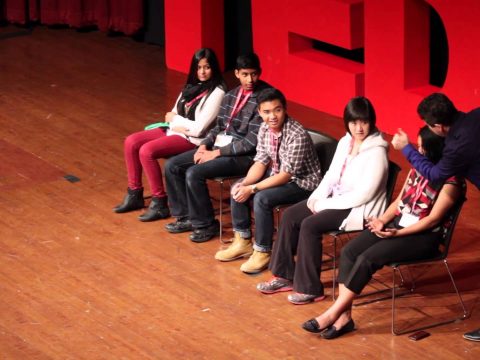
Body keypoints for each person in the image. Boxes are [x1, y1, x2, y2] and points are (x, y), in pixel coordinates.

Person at [301, 126, 466, 340]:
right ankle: (344, 318)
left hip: (424, 237)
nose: (418, 152)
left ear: (434, 151)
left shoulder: (451, 182)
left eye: (421, 148)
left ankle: (332, 312)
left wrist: (397, 234)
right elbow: (399, 201)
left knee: (369, 258)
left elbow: (432, 220)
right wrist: (382, 220)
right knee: (351, 251)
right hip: (397, 225)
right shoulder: (418, 168)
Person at [256, 97, 389, 304]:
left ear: (372, 121)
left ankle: (310, 288)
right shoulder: (346, 142)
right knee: (291, 215)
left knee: (310, 224)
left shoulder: (377, 151)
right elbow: (331, 175)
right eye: (354, 123)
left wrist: (323, 204)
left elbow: (365, 194)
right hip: (334, 199)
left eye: (364, 122)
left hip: (357, 208)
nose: (359, 128)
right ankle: (284, 276)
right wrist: (316, 197)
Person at [391, 93, 480, 341]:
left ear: (438, 127)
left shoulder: (456, 147)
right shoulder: (477, 114)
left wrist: (406, 148)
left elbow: (435, 175)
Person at [164, 53, 271, 243]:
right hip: (220, 147)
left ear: (260, 73)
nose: (250, 79)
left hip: (246, 156)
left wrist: (216, 153)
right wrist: (204, 145)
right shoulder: (231, 96)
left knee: (194, 173)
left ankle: (205, 225)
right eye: (245, 74)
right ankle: (187, 216)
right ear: (237, 73)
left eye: (254, 74)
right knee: (173, 165)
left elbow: (250, 142)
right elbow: (219, 127)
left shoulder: (265, 98)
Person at [214, 88, 322, 274]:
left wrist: (253, 189)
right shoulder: (264, 128)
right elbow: (261, 160)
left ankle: (263, 250)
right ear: (259, 113)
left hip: (303, 183)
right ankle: (243, 240)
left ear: (285, 109)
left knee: (261, 198)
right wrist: (246, 183)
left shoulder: (297, 134)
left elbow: (286, 175)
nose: (272, 116)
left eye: (277, 110)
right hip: (277, 175)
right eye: (267, 112)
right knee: (238, 187)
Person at [113, 48, 226, 221]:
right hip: (174, 130)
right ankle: (134, 193)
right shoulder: (191, 86)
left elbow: (199, 129)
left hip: (193, 140)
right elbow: (170, 114)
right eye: (198, 67)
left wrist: (177, 121)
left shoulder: (218, 92)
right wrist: (177, 122)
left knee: (147, 151)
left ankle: (159, 202)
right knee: (131, 142)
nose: (202, 72)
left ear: (214, 68)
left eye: (207, 67)